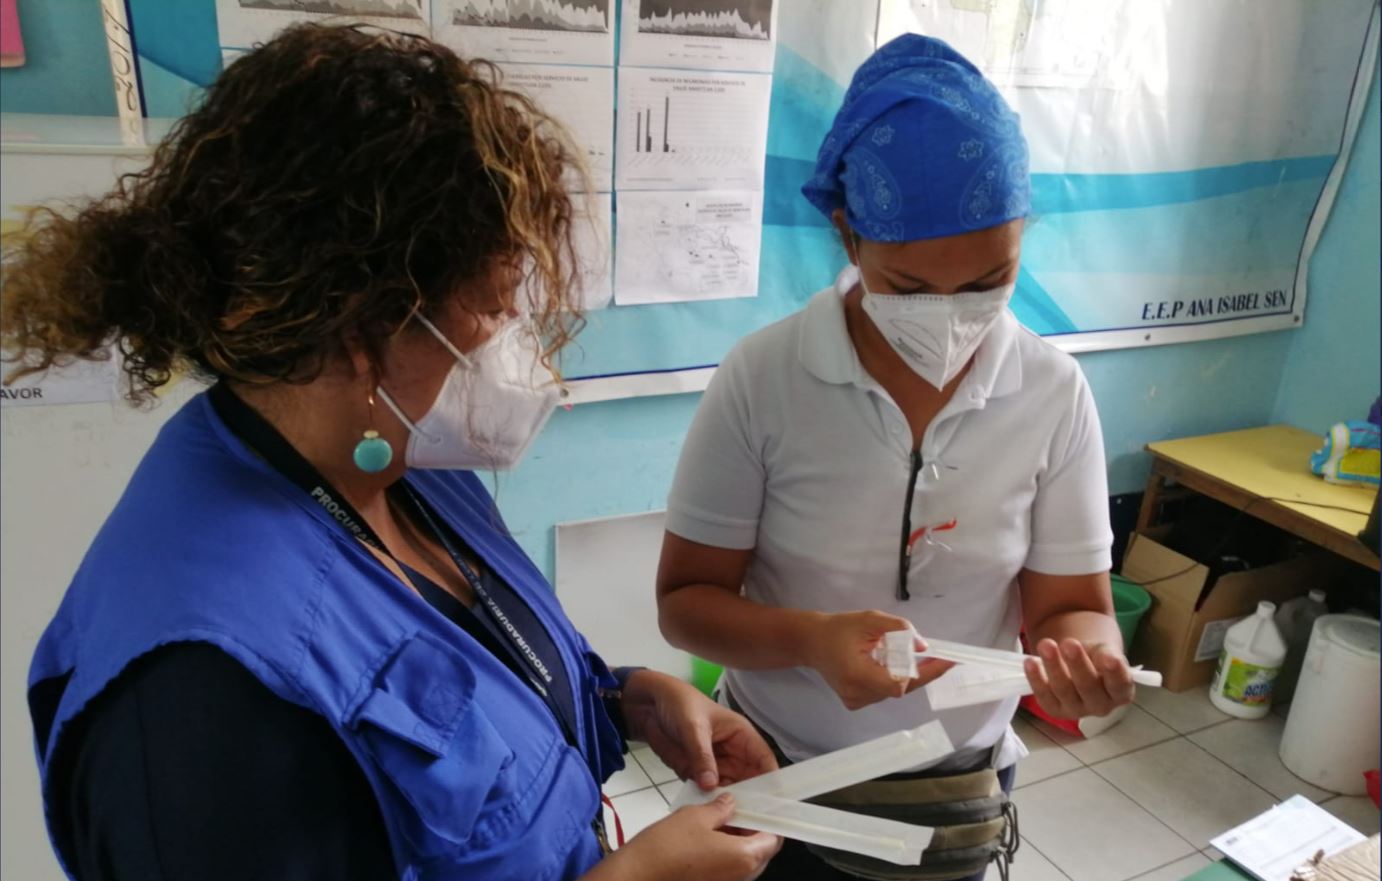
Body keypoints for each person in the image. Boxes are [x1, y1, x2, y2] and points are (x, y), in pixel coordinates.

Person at [3, 25, 781, 881]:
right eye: (491, 308)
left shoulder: (403, 465)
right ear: (362, 325)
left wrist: (624, 698)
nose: (518, 346)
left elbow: (470, 700)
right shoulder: (201, 695)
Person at [656, 35, 1135, 881]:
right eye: (912, 288)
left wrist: (1085, 658)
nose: (951, 317)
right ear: (847, 234)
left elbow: (1072, 606)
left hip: (956, 788)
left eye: (991, 280)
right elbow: (687, 605)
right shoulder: (764, 379)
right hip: (779, 773)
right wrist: (813, 638)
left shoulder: (1053, 392)